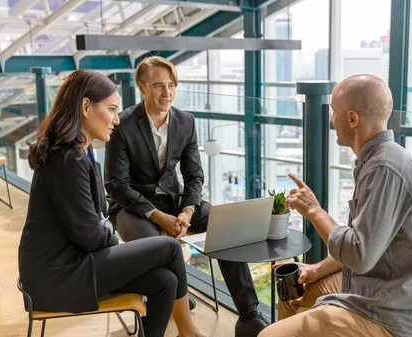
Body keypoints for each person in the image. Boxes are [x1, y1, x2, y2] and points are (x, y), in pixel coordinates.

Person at [18, 69, 207, 337]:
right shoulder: (66, 160)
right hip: (57, 276)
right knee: (168, 248)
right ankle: (188, 331)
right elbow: (89, 234)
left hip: (76, 264)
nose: (117, 120)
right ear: (86, 107)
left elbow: (96, 221)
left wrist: (115, 242)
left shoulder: (81, 152)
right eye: (112, 110)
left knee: (165, 281)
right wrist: (118, 245)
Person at [259, 74, 412, 337]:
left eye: (334, 111)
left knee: (267, 336)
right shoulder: (373, 161)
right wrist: (316, 269)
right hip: (378, 286)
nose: (331, 118)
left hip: (394, 312)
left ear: (352, 119)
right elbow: (364, 242)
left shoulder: (385, 168)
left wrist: (314, 211)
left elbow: (359, 254)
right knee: (294, 292)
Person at [104, 56, 268, 337]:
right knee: (156, 246)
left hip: (175, 201)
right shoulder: (123, 124)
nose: (167, 93)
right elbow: (116, 184)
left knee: (225, 224)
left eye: (171, 86)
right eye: (158, 86)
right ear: (142, 86)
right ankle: (173, 298)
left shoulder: (186, 121)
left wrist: (188, 211)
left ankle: (249, 314)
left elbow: (194, 176)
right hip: (131, 207)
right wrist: (157, 216)